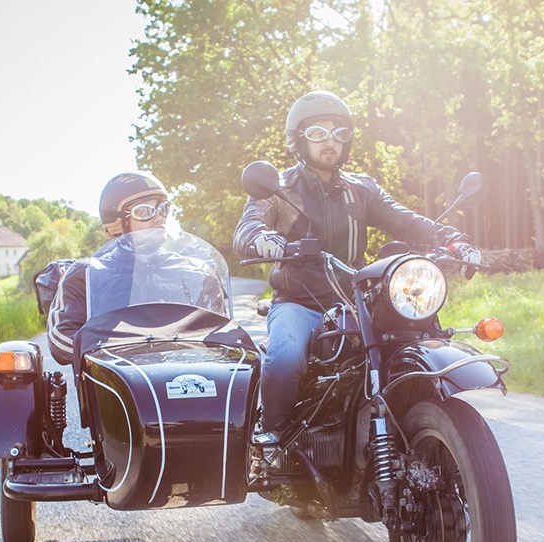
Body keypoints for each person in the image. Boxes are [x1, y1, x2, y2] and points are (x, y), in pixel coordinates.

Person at [232, 90, 482, 442]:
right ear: (298, 140)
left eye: (339, 133)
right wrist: (265, 239)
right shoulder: (279, 187)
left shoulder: (362, 189)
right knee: (286, 356)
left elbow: (407, 221)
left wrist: (452, 238)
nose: (330, 142)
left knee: (414, 339)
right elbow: (248, 228)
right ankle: (274, 439)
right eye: (318, 133)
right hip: (299, 303)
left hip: (356, 305)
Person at [47, 172, 224, 365]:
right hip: (117, 381)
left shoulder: (194, 271)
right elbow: (61, 340)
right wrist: (118, 347)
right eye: (145, 211)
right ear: (118, 222)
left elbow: (222, 336)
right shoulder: (87, 273)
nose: (159, 218)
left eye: (163, 209)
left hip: (186, 377)